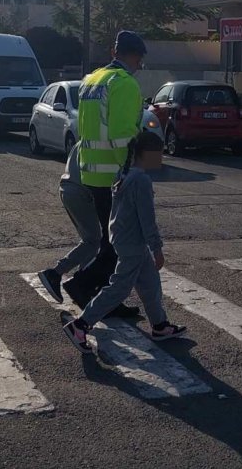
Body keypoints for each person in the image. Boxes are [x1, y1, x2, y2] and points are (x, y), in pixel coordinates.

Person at [62, 132, 186, 353]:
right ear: (147, 154)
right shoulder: (141, 180)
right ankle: (80, 325)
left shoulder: (124, 172)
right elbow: (147, 218)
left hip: (123, 238)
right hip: (133, 242)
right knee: (119, 288)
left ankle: (160, 325)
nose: (161, 159)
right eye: (159, 154)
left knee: (150, 283)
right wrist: (157, 248)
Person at [61, 30, 147, 316]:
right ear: (136, 57)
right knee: (120, 246)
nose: (140, 66)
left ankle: (105, 299)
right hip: (114, 175)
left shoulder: (92, 79)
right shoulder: (124, 83)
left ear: (114, 52)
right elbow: (122, 135)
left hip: (91, 172)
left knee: (111, 243)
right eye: (140, 60)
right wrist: (129, 174)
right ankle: (82, 286)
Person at [35, 144, 100, 303]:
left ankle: (83, 286)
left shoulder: (86, 140)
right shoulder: (101, 142)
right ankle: (56, 273)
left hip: (68, 187)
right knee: (93, 241)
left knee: (90, 241)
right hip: (81, 192)